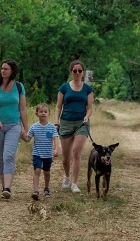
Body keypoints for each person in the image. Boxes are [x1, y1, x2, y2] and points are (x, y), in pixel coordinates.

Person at [0, 59, 29, 199]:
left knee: (8, 155)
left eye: (6, 69)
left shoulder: (19, 87)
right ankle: (3, 186)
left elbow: (22, 109)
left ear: (12, 71)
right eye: (2, 68)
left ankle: (7, 188)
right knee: (0, 158)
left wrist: (26, 129)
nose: (3, 71)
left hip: (14, 125)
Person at [54, 60, 94, 193]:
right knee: (66, 157)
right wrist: (56, 121)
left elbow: (89, 108)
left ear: (83, 72)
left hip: (81, 123)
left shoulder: (88, 89)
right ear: (71, 72)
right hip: (65, 122)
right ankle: (67, 176)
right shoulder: (64, 88)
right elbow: (58, 107)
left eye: (80, 71)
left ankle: (74, 183)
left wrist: (87, 116)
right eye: (74, 71)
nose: (77, 73)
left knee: (76, 151)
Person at [24, 103, 60, 200]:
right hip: (37, 153)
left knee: (47, 172)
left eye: (45, 112)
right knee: (37, 170)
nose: (43, 113)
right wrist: (22, 136)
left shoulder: (52, 127)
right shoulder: (34, 127)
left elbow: (55, 138)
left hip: (48, 154)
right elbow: (28, 139)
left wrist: (56, 149)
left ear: (49, 114)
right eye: (41, 112)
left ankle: (47, 188)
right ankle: (36, 191)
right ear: (36, 114)